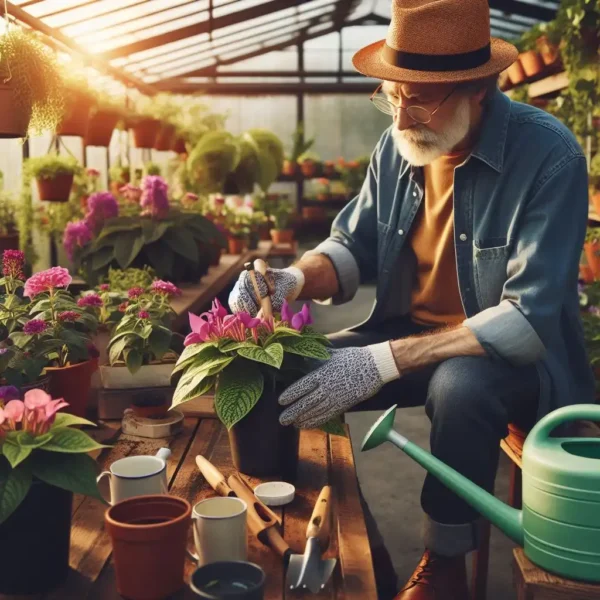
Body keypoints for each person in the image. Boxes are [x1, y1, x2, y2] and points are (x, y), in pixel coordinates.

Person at [229, 0, 595, 598]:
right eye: (392, 92)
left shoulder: (548, 157)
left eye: (419, 96)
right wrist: (293, 277)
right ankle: (299, 525)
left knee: (459, 386)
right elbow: (353, 246)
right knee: (282, 363)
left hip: (514, 361)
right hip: (408, 329)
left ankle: (444, 562)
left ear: (476, 88)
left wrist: (381, 361)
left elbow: (527, 320)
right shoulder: (401, 142)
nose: (400, 112)